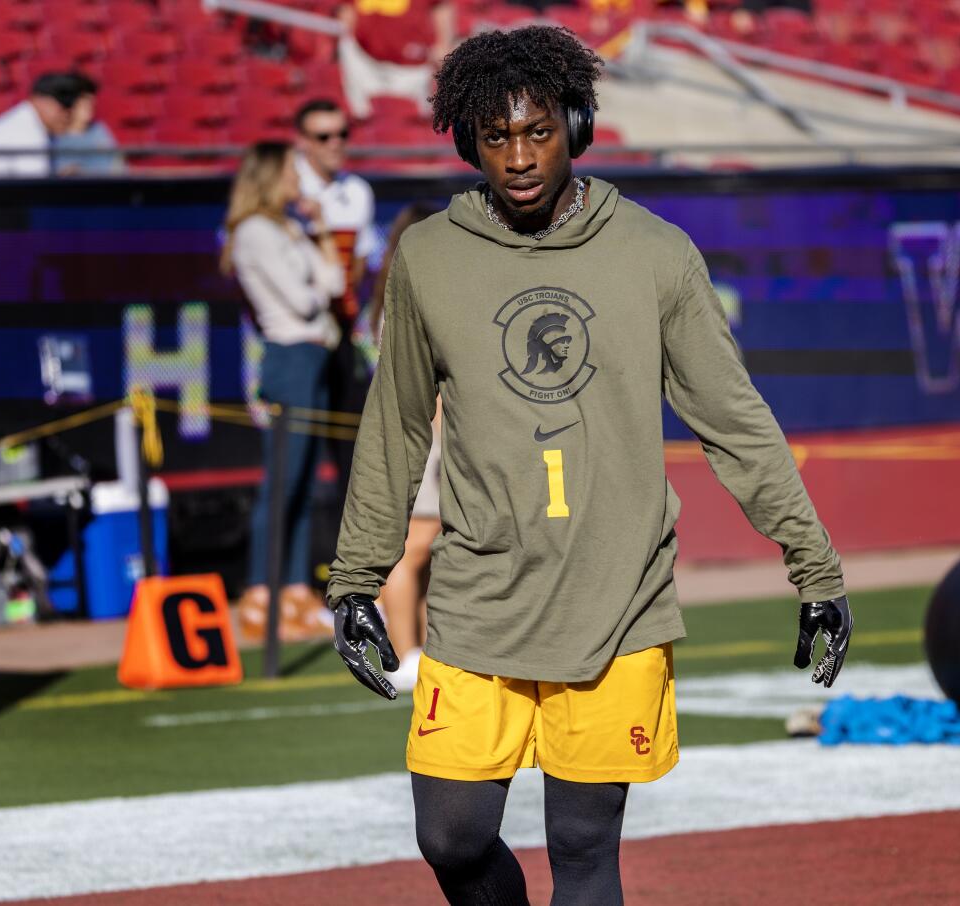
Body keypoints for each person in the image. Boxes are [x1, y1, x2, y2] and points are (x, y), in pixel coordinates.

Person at [327, 26, 852, 904]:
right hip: (478, 603)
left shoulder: (655, 253)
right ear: (469, 143)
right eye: (496, 138)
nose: (520, 157)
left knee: (581, 844)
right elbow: (396, 424)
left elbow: (734, 420)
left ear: (576, 125)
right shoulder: (428, 259)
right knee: (452, 839)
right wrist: (356, 577)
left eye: (538, 131)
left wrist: (815, 565)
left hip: (619, 603)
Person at [221, 141, 345, 641]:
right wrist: (316, 286)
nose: (300, 181)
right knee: (283, 481)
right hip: (289, 358)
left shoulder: (290, 226)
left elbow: (333, 283)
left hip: (313, 356)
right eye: (293, 172)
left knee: (304, 480)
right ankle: (260, 592)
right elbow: (302, 300)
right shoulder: (254, 231)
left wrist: (318, 232)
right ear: (271, 176)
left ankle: (293, 588)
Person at [368, 202, 442, 692]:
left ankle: (419, 646)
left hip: (431, 430)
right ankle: (402, 650)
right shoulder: (408, 297)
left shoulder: (402, 294)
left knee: (427, 548)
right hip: (422, 432)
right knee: (411, 547)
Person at [293, 98, 375, 503]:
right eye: (323, 136)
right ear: (302, 141)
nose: (335, 143)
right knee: (298, 455)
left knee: (352, 447)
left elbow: (359, 266)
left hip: (341, 330)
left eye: (342, 134)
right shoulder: (287, 189)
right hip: (301, 332)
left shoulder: (357, 192)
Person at [335, 0, 454, 120]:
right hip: (365, 59)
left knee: (423, 122)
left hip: (414, 66)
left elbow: (441, 7)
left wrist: (443, 44)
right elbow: (346, 10)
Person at [0, 72, 84, 177]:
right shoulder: (27, 132)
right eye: (63, 107)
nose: (67, 115)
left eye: (71, 109)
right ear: (40, 100)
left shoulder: (25, 120)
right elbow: (34, 192)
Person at [54, 73, 124, 176]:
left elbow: (118, 168)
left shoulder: (100, 130)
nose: (90, 104)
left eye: (91, 100)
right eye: (83, 100)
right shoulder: (54, 137)